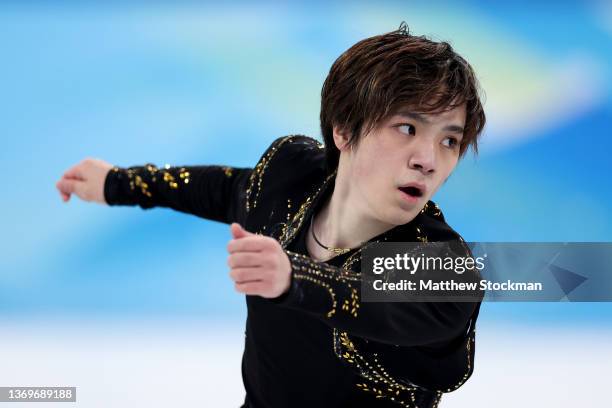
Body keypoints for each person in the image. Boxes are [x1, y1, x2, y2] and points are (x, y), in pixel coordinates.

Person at [55, 22, 486, 408]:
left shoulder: (442, 263)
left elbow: (370, 300)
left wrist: (293, 278)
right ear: (344, 129)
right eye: (407, 128)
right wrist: (119, 183)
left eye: (450, 141)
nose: (428, 159)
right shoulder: (289, 179)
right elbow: (224, 188)